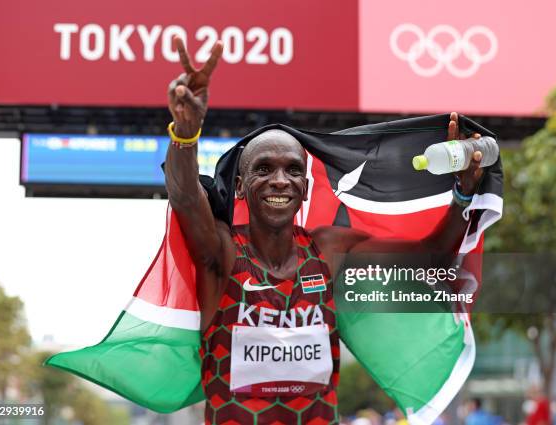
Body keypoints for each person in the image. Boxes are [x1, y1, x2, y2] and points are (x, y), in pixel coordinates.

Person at [164, 37, 486, 424]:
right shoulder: (222, 251)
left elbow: (429, 259)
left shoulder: (330, 250)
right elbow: (185, 197)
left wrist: (463, 193)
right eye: (263, 169)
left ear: (304, 188)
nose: (280, 181)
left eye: (293, 171)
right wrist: (185, 133)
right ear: (239, 185)